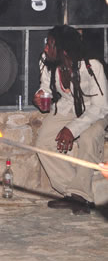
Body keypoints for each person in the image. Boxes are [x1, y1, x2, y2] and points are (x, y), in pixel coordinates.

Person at [33, 25, 108, 215]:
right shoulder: (46, 61)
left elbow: (99, 106)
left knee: (89, 138)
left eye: (50, 45)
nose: (45, 49)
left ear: (64, 49)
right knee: (43, 143)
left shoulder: (92, 65)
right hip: (67, 107)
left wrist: (71, 129)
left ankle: (79, 195)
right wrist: (41, 96)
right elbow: (46, 87)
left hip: (96, 110)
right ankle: (76, 195)